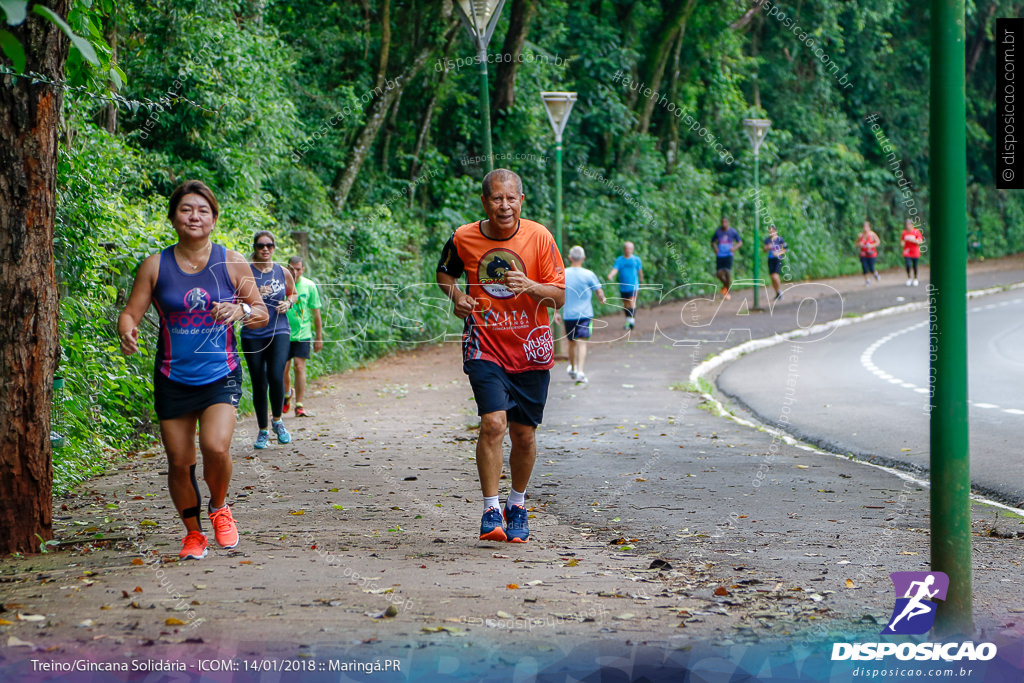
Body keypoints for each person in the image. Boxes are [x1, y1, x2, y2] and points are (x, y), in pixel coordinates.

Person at [118, 180, 269, 560]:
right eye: (186, 209)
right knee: (179, 460)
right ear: (173, 217)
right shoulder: (155, 265)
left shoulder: (232, 262)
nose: (194, 216)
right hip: (172, 377)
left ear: (214, 219)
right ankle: (193, 533)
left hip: (221, 373)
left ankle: (219, 506)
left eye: (202, 210)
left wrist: (241, 310)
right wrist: (127, 330)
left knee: (215, 446)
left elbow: (261, 312)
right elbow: (131, 312)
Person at [436, 168, 565, 543]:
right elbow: (445, 274)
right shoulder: (463, 237)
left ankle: (517, 503)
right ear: (484, 201)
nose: (504, 206)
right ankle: (490, 508)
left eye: (511, 198)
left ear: (521, 200)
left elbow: (559, 296)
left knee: (524, 435)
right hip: (485, 343)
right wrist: (458, 297)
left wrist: (530, 285)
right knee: (493, 423)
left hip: (531, 347)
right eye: (496, 198)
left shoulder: (539, 237)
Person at [241, 231, 297, 449]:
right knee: (259, 381)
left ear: (274, 248)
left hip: (279, 329)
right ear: (254, 247)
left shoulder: (282, 272)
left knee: (276, 374)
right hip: (253, 332)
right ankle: (263, 429)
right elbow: (235, 299)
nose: (265, 249)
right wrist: (254, 295)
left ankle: (278, 421)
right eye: (261, 245)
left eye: (269, 245)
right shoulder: (245, 272)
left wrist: (289, 303)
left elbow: (293, 294)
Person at [554, 245, 606, 385]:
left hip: (569, 315)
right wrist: (602, 299)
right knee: (582, 341)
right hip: (585, 315)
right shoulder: (588, 274)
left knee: (571, 343)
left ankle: (572, 367)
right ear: (583, 258)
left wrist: (556, 312)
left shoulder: (563, 274)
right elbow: (599, 292)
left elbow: (557, 294)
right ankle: (580, 372)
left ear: (570, 258)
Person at [283, 255, 323, 417]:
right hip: (283, 333)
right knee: (282, 369)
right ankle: (287, 394)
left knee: (299, 367)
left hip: (302, 334)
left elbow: (316, 313)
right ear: (288, 267)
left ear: (303, 269)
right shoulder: (282, 284)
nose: (295, 272)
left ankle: (299, 404)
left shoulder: (309, 286)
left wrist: (318, 336)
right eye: (292, 268)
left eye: (298, 269)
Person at [607, 242, 642, 329]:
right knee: (626, 304)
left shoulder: (636, 260)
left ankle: (631, 321)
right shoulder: (619, 260)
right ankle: (628, 320)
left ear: (633, 249)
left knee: (631, 301)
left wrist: (641, 280)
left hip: (633, 285)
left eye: (630, 248)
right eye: (627, 248)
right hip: (623, 286)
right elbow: (615, 269)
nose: (629, 250)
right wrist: (611, 275)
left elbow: (640, 271)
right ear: (624, 249)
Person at [711, 217, 742, 300]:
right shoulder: (718, 232)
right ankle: (726, 286)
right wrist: (715, 248)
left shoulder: (732, 232)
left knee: (727, 272)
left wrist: (734, 248)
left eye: (725, 222)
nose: (723, 224)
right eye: (722, 222)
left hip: (729, 254)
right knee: (719, 274)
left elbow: (740, 242)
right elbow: (712, 242)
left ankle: (727, 291)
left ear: (728, 223)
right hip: (720, 255)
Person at [762, 224, 787, 302]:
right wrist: (767, 247)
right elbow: (764, 250)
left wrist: (778, 253)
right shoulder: (767, 240)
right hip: (770, 260)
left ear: (775, 231)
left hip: (777, 260)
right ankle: (777, 293)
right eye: (770, 231)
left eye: (772, 231)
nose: (771, 232)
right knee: (772, 278)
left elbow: (785, 249)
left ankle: (779, 291)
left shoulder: (780, 240)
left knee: (775, 276)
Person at [901, 219, 925, 286]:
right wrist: (902, 243)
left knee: (915, 265)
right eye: (906, 224)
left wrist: (913, 240)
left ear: (912, 225)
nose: (908, 226)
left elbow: (920, 241)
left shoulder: (916, 232)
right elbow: (902, 241)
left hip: (915, 251)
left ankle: (915, 278)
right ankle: (909, 278)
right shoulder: (904, 233)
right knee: (908, 265)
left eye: (909, 224)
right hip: (907, 251)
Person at [857, 220, 882, 285]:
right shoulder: (860, 235)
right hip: (863, 254)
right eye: (864, 226)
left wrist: (871, 245)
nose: (865, 228)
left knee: (871, 268)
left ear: (869, 227)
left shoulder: (872, 234)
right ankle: (867, 280)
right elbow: (857, 244)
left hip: (871, 254)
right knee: (864, 267)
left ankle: (875, 274)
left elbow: (878, 242)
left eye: (866, 227)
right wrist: (860, 244)